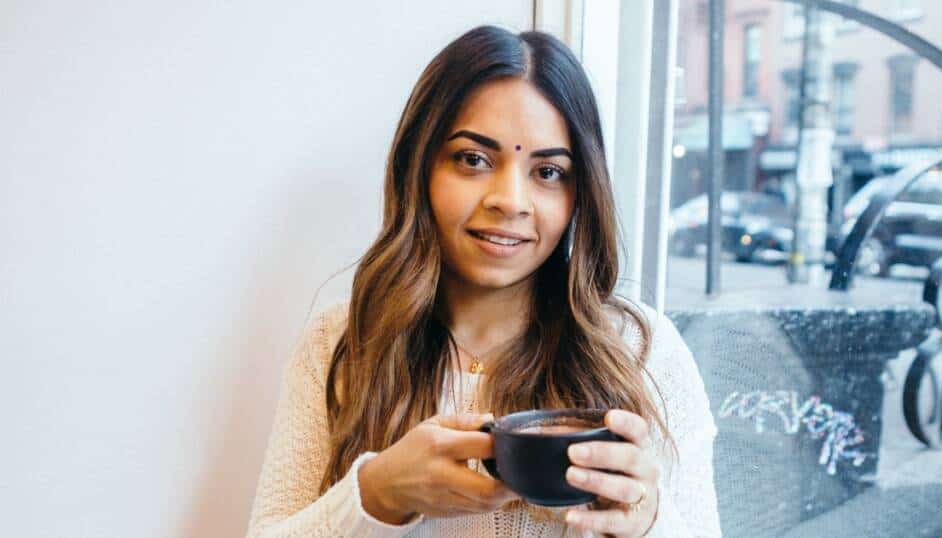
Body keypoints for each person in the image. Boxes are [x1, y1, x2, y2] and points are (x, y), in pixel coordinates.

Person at [245, 25, 720, 538]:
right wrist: (378, 494)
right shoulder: (340, 342)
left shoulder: (642, 353)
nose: (511, 201)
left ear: (580, 191)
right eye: (474, 159)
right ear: (418, 167)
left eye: (548, 172)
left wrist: (649, 522)